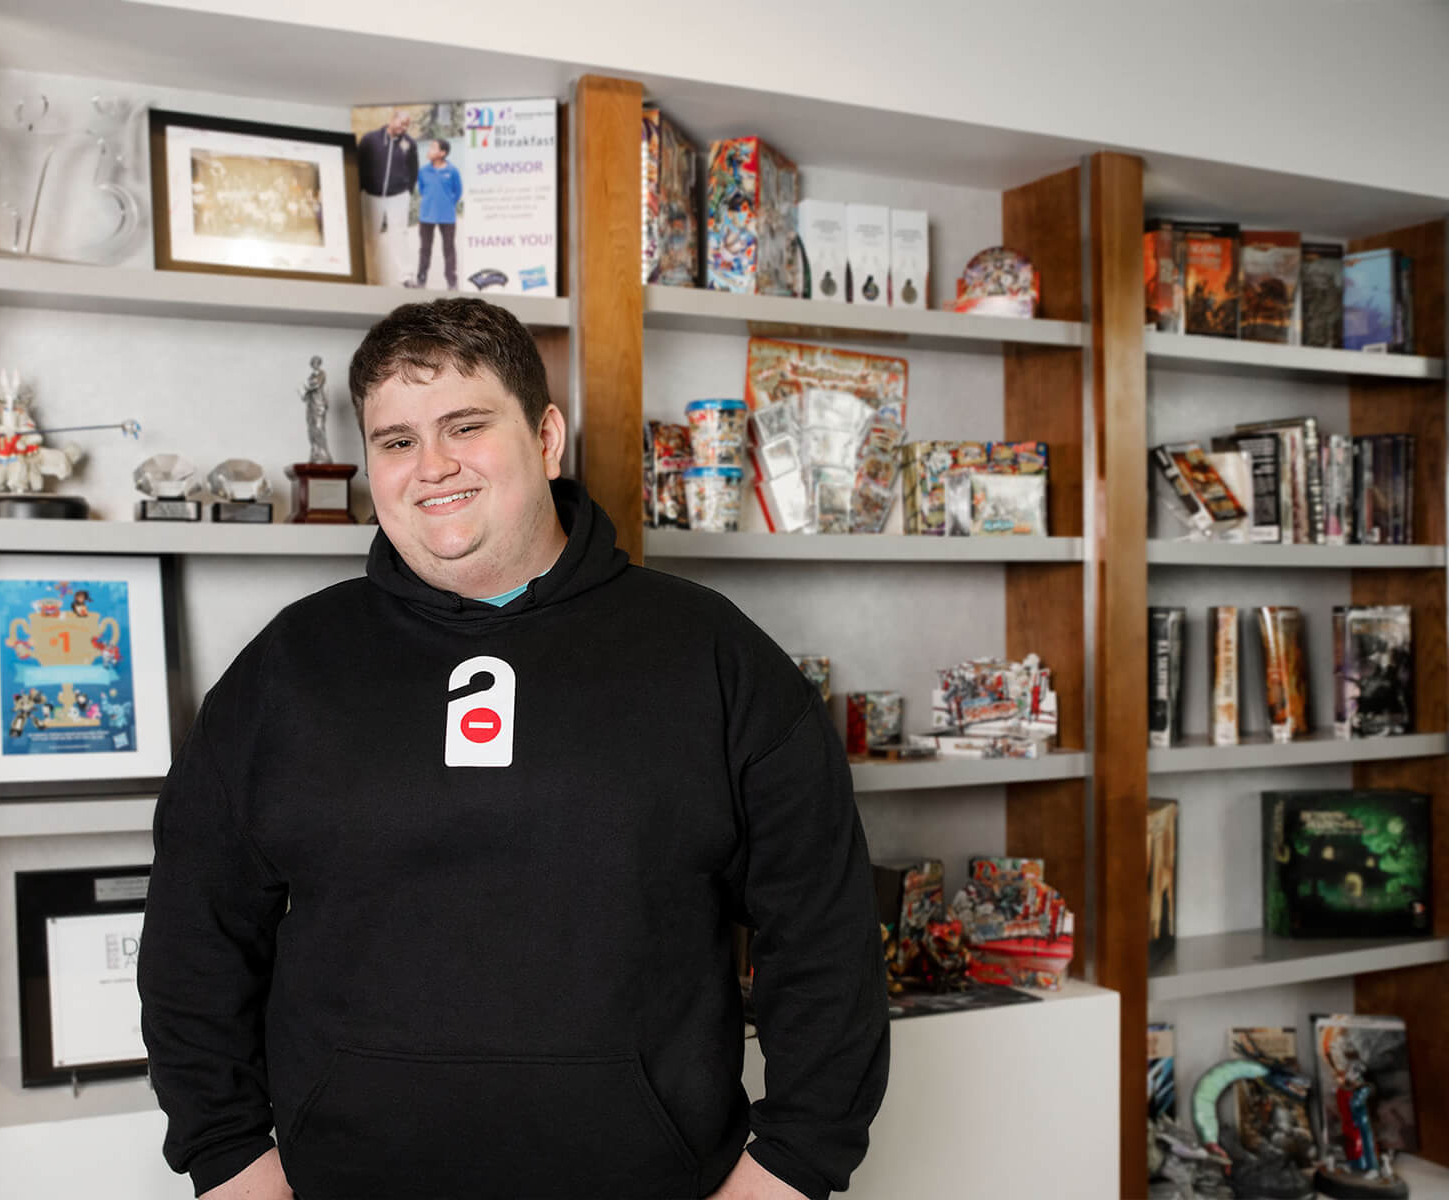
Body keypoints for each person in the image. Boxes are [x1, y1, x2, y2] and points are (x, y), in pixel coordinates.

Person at [138, 297, 888, 1200]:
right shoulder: (288, 668)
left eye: (465, 425)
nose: (433, 466)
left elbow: (826, 938)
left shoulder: (713, 655)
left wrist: (791, 1169)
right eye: (396, 440)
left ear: (546, 437)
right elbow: (194, 934)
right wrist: (227, 1160)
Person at [355, 110, 419, 287]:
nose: (404, 127)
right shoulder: (370, 139)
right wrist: (359, 190)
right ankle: (366, 273)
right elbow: (359, 165)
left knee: (399, 234)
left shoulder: (409, 144)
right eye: (402, 122)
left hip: (398, 196)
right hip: (371, 195)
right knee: (369, 234)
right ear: (393, 119)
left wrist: (407, 190)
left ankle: (405, 275)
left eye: (407, 125)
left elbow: (413, 169)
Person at [415, 137, 463, 291]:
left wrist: (448, 204)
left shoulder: (453, 171)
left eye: (433, 148)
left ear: (442, 153)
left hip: (447, 216)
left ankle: (451, 280)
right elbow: (422, 189)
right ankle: (421, 277)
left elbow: (458, 192)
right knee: (424, 249)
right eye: (429, 147)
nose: (429, 150)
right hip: (426, 216)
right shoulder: (423, 171)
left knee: (449, 249)